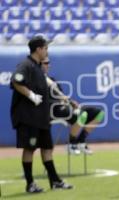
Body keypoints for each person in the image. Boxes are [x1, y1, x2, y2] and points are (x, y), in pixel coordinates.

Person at [10, 35, 73, 193]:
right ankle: (30, 184)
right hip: (29, 116)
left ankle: (55, 181)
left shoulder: (38, 67)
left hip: (41, 117)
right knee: (30, 148)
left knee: (46, 147)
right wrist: (31, 95)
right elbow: (15, 80)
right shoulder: (26, 64)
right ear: (38, 49)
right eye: (45, 48)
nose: (47, 51)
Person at [41, 57, 105, 155]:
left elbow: (62, 95)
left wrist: (70, 102)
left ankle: (81, 141)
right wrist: (61, 102)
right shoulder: (37, 82)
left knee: (99, 113)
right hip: (52, 110)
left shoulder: (52, 80)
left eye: (48, 63)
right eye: (45, 63)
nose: (48, 65)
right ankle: (71, 143)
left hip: (65, 106)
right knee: (81, 115)